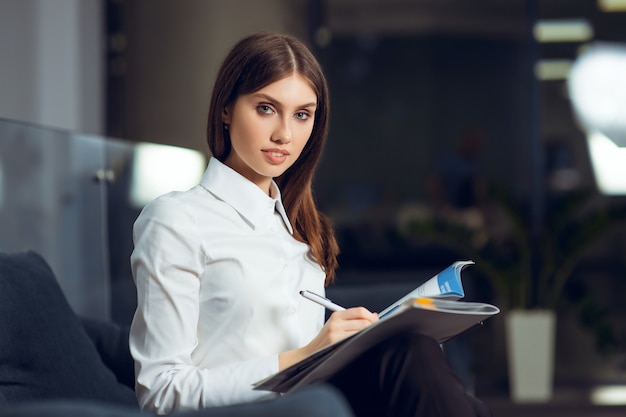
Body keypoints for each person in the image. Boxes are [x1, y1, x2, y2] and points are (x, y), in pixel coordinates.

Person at [129, 32, 492, 417]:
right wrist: (304, 355)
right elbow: (161, 394)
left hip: (314, 404)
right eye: (266, 108)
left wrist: (346, 343)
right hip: (254, 410)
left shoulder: (302, 230)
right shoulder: (176, 220)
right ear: (225, 108)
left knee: (414, 351)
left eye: (302, 114)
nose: (284, 134)